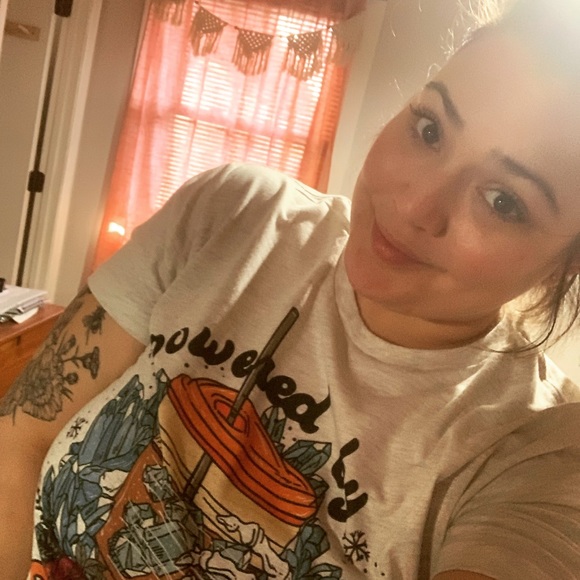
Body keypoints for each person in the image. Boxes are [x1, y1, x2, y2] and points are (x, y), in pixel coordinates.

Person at [2, 0, 580, 577]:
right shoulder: (235, 213)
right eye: (429, 130)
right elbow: (19, 438)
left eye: (504, 201)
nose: (413, 206)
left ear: (564, 265)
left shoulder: (540, 453)